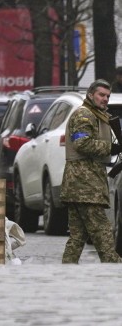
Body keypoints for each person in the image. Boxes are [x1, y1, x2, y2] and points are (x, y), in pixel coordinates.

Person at [61, 78, 122, 263]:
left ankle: (65, 272)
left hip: (83, 183)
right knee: (102, 232)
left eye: (107, 96)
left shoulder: (97, 115)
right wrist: (111, 148)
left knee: (78, 237)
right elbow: (81, 143)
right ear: (90, 95)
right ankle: (114, 271)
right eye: (101, 95)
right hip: (84, 184)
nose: (105, 99)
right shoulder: (84, 115)